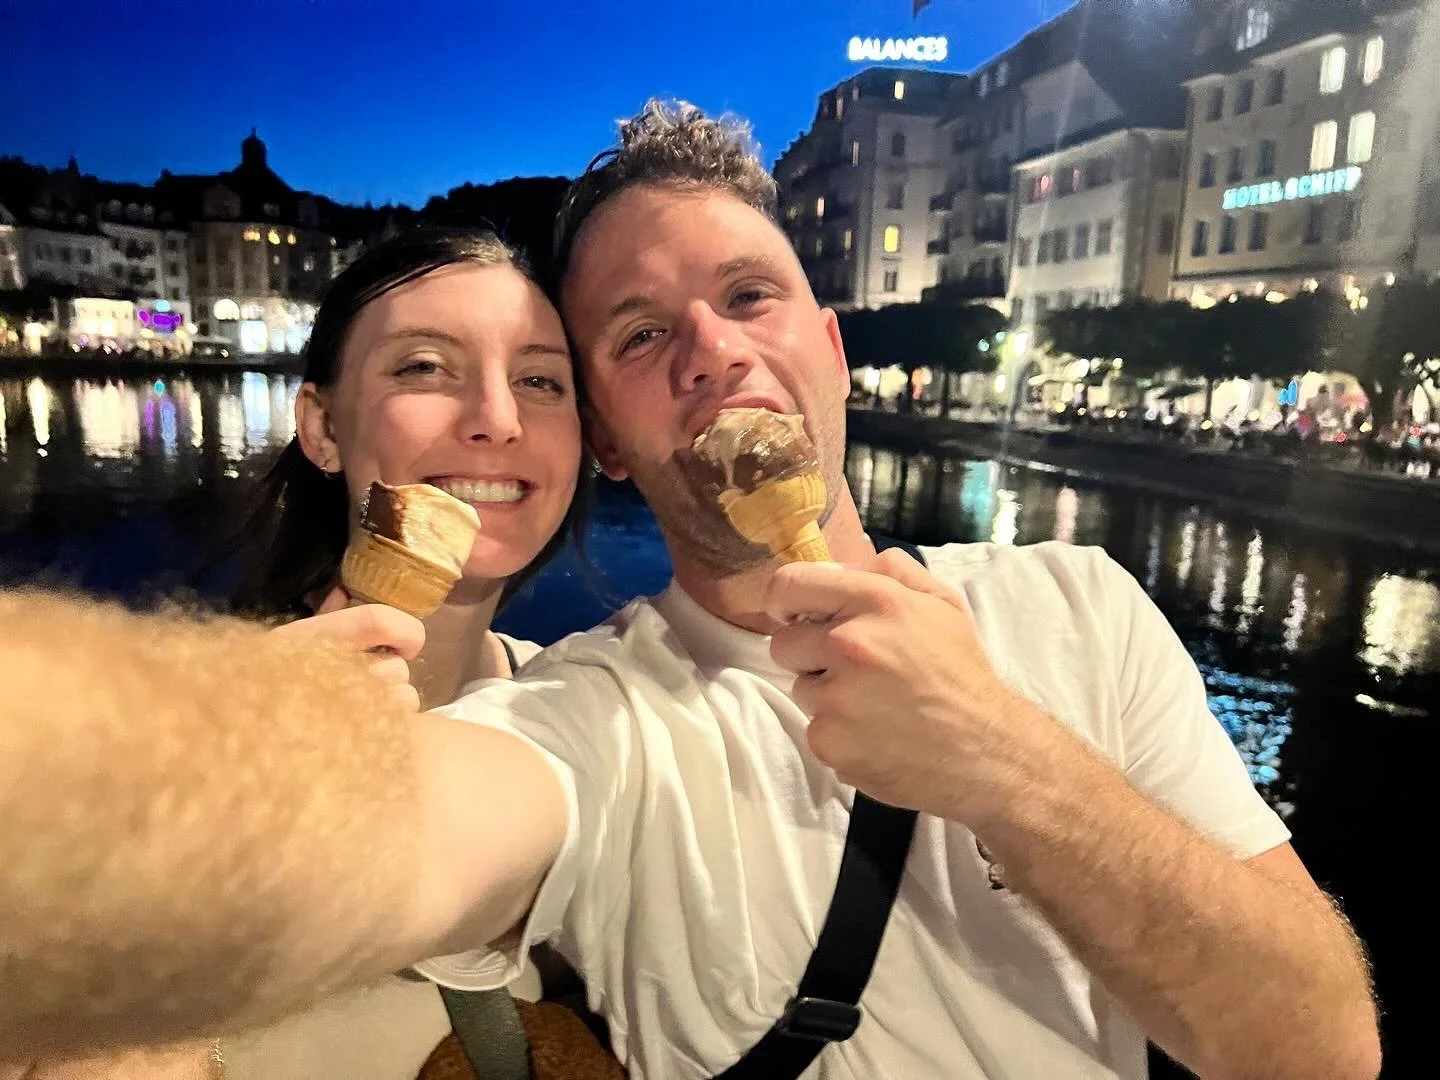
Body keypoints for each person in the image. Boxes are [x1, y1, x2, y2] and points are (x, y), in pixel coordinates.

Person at [1, 102, 1380, 1080]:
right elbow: (383, 845)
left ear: (832, 349)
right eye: (641, 332)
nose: (712, 351)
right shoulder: (592, 713)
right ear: (608, 442)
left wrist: (1005, 765)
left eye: (749, 297)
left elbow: (1319, 1048)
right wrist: (181, 757)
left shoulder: (1077, 604)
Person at [10, 228, 615, 1079]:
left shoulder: (590, 711)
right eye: (425, 367)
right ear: (323, 427)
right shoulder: (185, 728)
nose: (497, 419)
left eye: (540, 380)